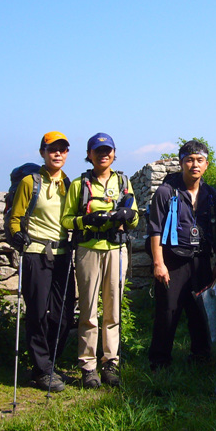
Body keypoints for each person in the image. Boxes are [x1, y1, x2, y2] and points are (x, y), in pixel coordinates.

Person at [61, 133, 139, 388]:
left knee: (113, 308)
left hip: (116, 249)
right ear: (90, 154)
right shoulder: (79, 184)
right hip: (88, 249)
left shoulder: (124, 182)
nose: (104, 155)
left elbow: (136, 219)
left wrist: (127, 214)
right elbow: (66, 219)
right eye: (98, 151)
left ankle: (110, 363)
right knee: (88, 308)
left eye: (108, 150)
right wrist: (87, 220)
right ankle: (87, 365)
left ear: (114, 153)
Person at [147, 140, 216, 370]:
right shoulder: (166, 192)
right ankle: (160, 360)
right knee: (168, 312)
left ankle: (201, 356)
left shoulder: (210, 194)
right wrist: (158, 263)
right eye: (189, 160)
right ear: (181, 163)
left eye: (199, 160)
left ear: (207, 164)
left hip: (201, 259)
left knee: (200, 310)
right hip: (172, 261)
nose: (194, 164)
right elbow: (155, 229)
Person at [8, 131, 74, 392]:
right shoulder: (29, 182)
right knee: (37, 311)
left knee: (64, 314)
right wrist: (17, 235)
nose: (58, 154)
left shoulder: (69, 184)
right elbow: (16, 217)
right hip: (35, 252)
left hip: (62, 255)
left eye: (63, 149)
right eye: (52, 149)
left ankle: (50, 363)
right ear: (42, 153)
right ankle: (41, 370)